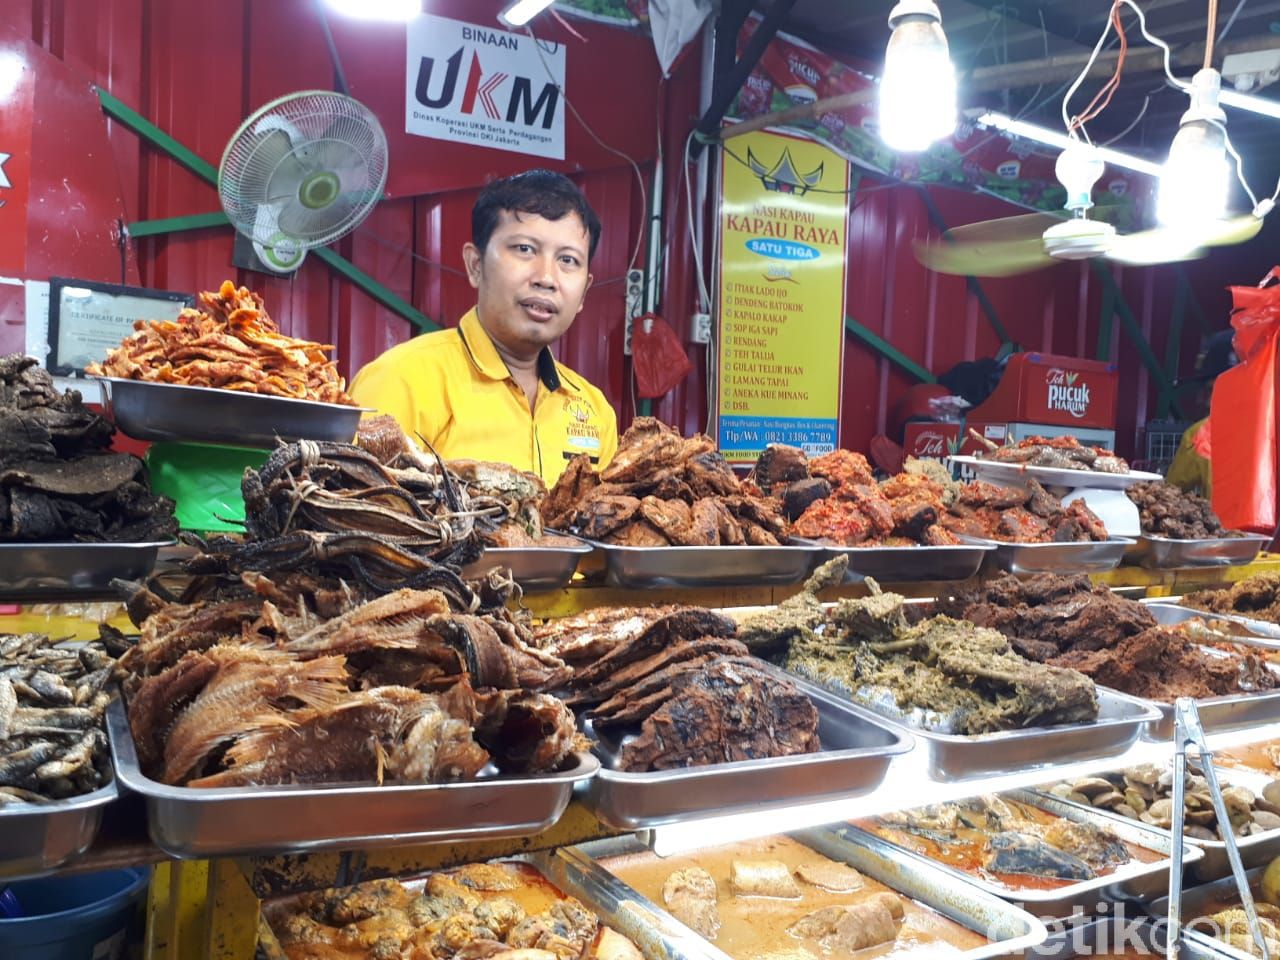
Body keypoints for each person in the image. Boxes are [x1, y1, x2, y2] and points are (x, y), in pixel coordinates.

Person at [350, 170, 618, 485]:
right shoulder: (403, 379)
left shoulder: (595, 410)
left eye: (568, 260)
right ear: (476, 265)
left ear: (584, 291)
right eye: (524, 249)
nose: (546, 277)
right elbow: (350, 514)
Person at [1166, 330, 1238, 498]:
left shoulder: (1202, 434)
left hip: (1221, 524)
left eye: (1209, 390)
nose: (1204, 401)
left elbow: (1169, 495)